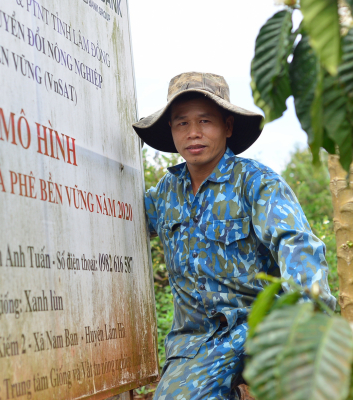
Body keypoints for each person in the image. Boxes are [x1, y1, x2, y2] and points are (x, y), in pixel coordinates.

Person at [133, 72, 336, 400]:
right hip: (197, 343)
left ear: (227, 126)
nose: (194, 133)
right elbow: (116, 221)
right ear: (170, 130)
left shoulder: (257, 184)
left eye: (205, 121)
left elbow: (297, 245)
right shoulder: (164, 196)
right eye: (182, 123)